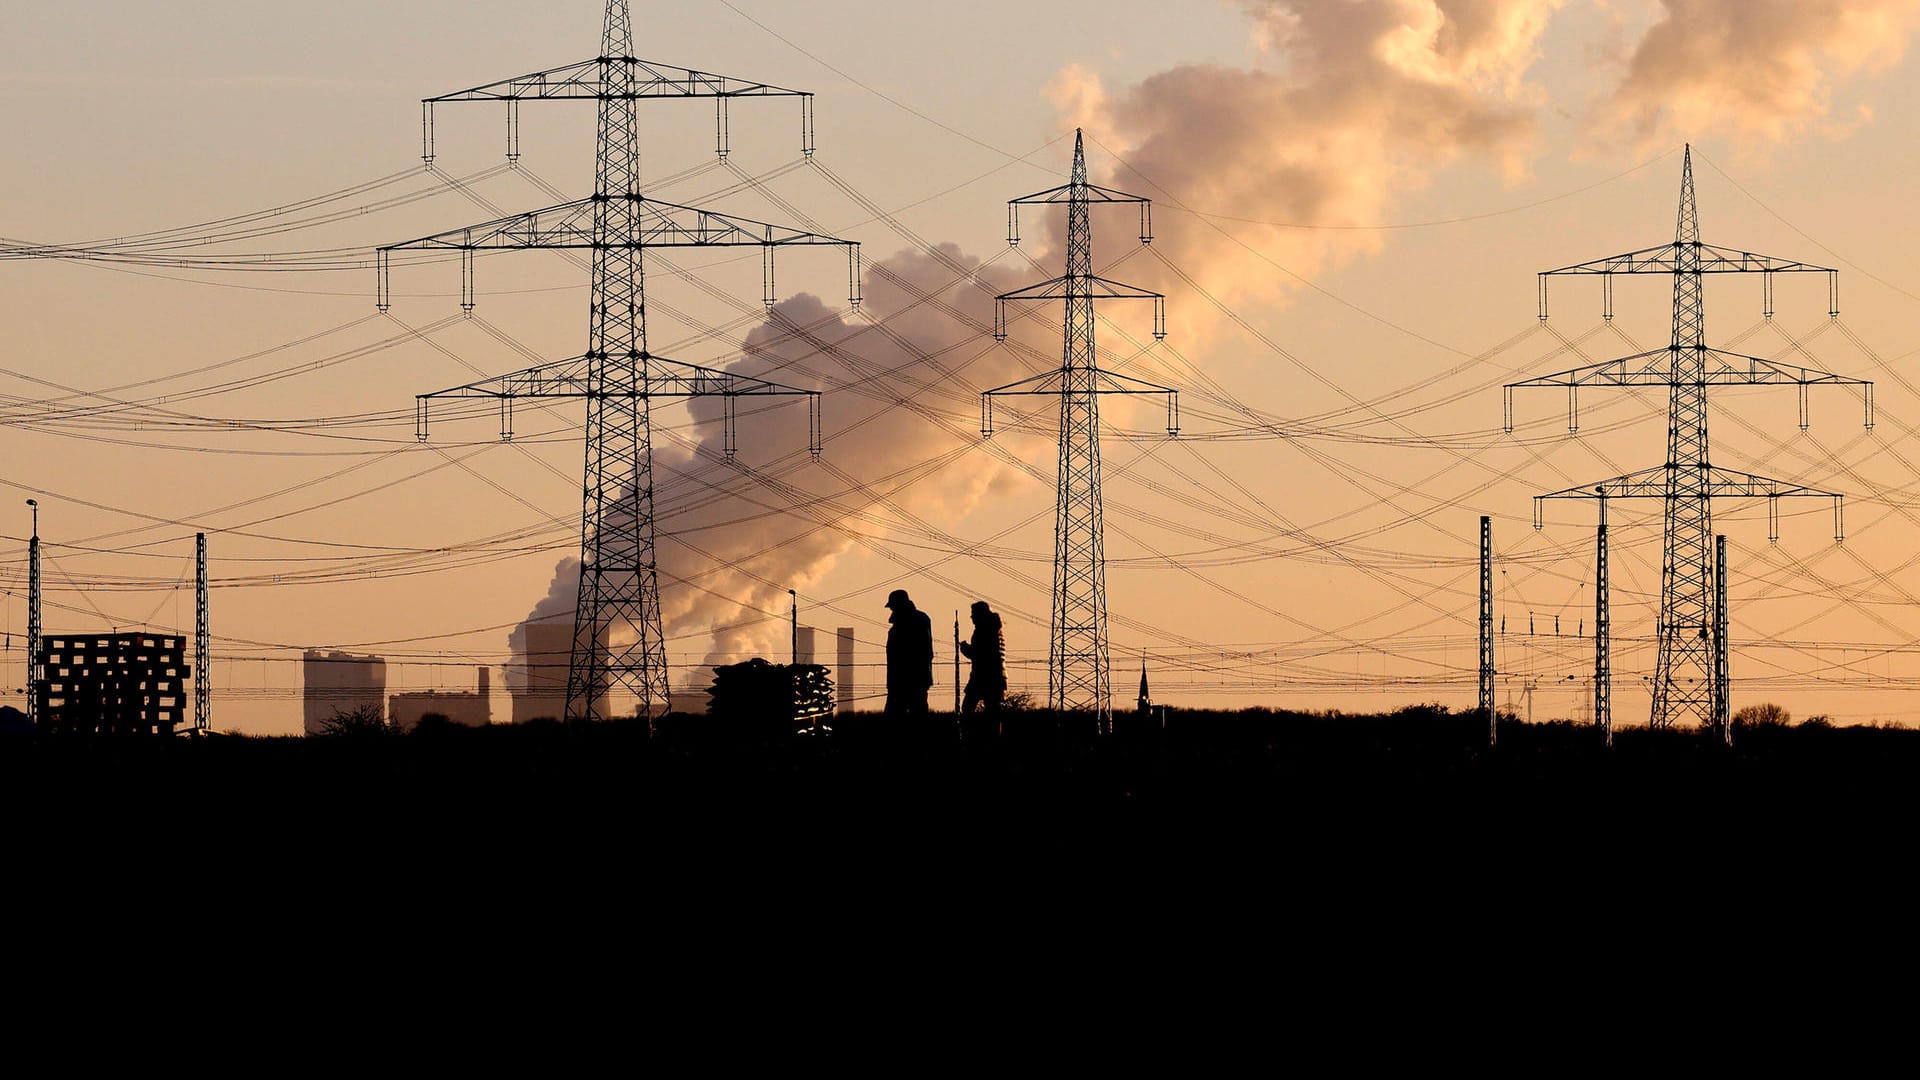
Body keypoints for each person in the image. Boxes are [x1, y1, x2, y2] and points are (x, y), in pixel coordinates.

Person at [883, 589, 933, 719]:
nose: (891, 610)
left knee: (895, 717)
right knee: (918, 714)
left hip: (903, 679)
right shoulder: (922, 619)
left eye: (892, 606)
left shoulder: (904, 624)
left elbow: (900, 655)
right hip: (919, 677)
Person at [959, 601, 1006, 729]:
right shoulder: (995, 628)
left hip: (982, 676)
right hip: (996, 675)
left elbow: (979, 654)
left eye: (973, 615)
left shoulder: (983, 631)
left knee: (968, 707)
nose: (972, 618)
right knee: (993, 710)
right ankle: (992, 737)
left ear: (980, 615)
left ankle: (969, 735)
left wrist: (964, 648)